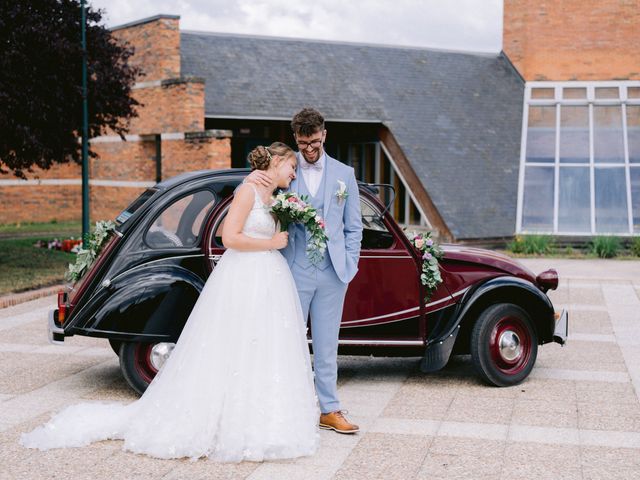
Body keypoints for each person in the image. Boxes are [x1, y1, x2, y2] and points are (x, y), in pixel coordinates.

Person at [20, 142, 320, 462]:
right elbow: (229, 237)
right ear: (276, 162)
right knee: (236, 341)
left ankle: (262, 420)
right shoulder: (247, 191)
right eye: (292, 166)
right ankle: (223, 420)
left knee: (263, 346)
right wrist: (272, 242)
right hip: (246, 273)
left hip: (269, 276)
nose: (294, 173)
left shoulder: (275, 198)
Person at [247, 108, 363, 434]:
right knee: (287, 342)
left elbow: (354, 228)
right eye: (302, 143)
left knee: (327, 346)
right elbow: (260, 197)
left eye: (313, 142)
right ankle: (285, 408)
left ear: (324, 134)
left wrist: (349, 265)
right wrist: (256, 179)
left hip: (333, 273)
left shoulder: (345, 174)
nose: (309, 150)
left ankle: (329, 409)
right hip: (293, 269)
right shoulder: (285, 169)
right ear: (294, 138)